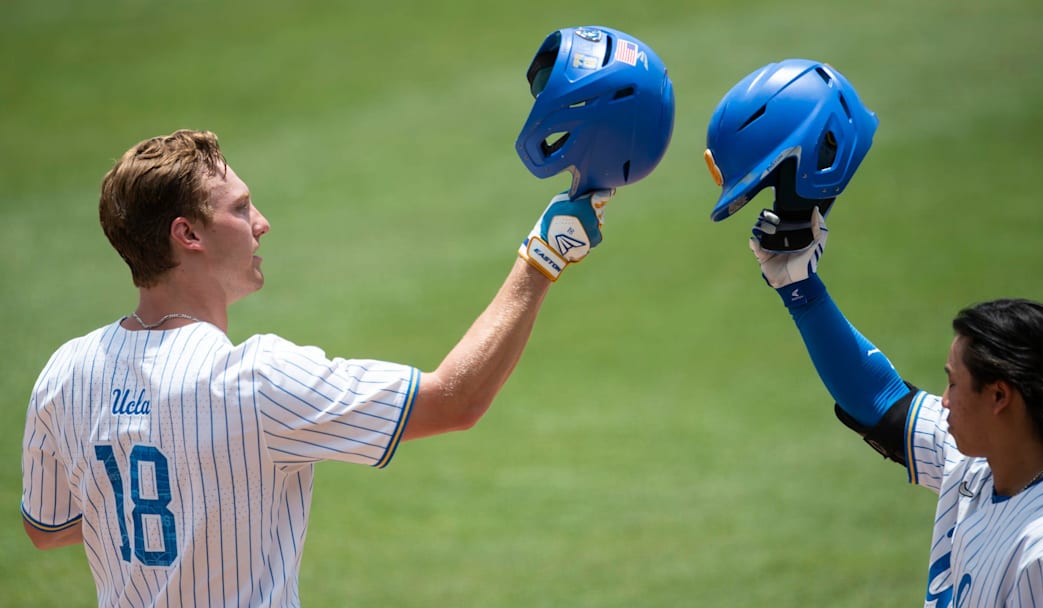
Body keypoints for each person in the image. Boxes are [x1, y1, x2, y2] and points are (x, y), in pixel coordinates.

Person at [18, 128, 609, 606]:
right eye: (241, 208)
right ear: (187, 234)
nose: (261, 222)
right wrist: (543, 257)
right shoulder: (256, 383)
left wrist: (165, 501)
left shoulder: (66, 374)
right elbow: (454, 401)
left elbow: (45, 530)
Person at [705, 59, 1043, 606]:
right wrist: (799, 288)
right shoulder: (977, 467)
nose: (941, 401)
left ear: (1001, 396)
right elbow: (880, 402)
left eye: (953, 385)